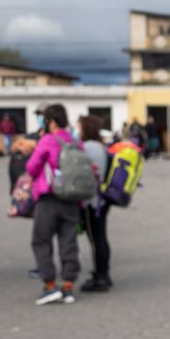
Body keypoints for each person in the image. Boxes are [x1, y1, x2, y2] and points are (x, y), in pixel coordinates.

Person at [26, 104, 83, 305]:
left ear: (51, 121)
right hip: (72, 200)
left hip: (49, 199)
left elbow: (32, 167)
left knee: (41, 241)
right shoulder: (75, 141)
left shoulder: (47, 140)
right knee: (68, 242)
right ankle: (68, 287)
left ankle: (50, 286)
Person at [78, 115, 112, 292]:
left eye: (80, 127)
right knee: (100, 238)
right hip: (102, 199)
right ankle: (103, 273)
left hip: (93, 201)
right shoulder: (100, 146)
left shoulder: (88, 147)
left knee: (96, 239)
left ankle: (101, 277)